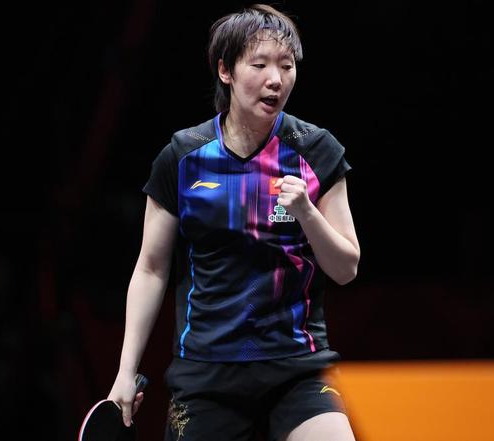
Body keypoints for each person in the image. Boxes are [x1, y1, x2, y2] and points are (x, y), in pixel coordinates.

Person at [107, 4, 360, 441]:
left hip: (296, 369)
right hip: (207, 374)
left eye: (286, 66)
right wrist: (125, 372)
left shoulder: (316, 151)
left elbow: (346, 268)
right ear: (225, 70)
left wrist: (307, 212)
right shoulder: (182, 158)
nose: (275, 79)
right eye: (259, 65)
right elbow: (151, 269)